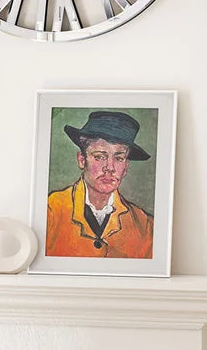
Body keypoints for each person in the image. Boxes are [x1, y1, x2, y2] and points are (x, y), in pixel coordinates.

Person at [46, 111, 154, 259]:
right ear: (82, 160)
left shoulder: (145, 225)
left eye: (119, 158)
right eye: (99, 157)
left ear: (126, 167)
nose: (109, 167)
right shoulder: (51, 211)